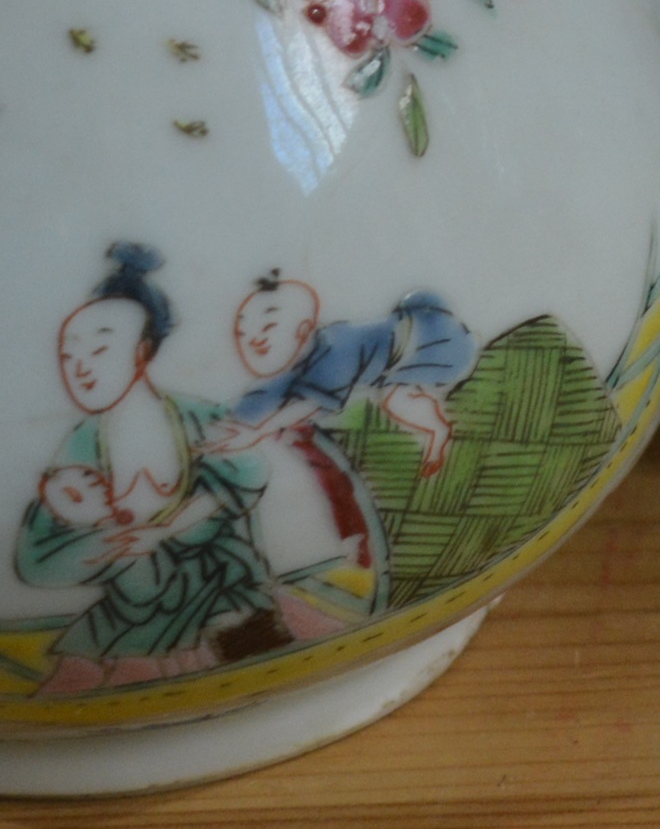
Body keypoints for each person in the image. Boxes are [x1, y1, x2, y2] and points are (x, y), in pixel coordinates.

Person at [12, 247, 311, 695]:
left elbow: (247, 476)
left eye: (99, 349)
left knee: (250, 657)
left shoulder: (198, 417)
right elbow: (37, 557)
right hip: (137, 600)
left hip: (219, 583)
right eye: (69, 356)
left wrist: (167, 529)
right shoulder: (79, 445)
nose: (82, 370)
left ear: (142, 350)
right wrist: (114, 545)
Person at [201, 273, 475, 599]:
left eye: (268, 329)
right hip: (400, 344)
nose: (254, 341)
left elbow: (308, 404)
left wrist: (257, 432)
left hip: (432, 342)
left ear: (304, 330)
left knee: (396, 399)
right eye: (242, 332)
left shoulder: (334, 350)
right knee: (389, 397)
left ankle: (439, 433)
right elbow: (262, 401)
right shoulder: (296, 364)